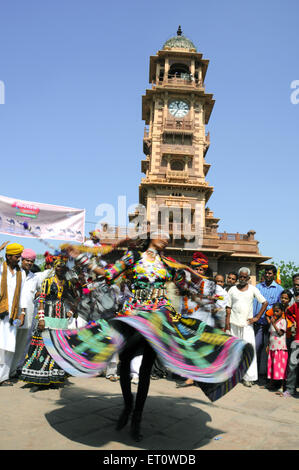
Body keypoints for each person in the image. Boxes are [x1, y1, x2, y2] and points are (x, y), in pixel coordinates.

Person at [43, 236, 254, 442]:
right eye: (161, 235)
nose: (166, 239)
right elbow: (108, 274)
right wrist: (80, 258)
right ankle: (128, 405)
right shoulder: (133, 257)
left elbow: (185, 286)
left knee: (146, 368)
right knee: (124, 361)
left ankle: (137, 417)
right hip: (133, 315)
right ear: (151, 236)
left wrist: (207, 297)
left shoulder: (168, 263)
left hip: (158, 318)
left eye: (167, 238)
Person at [20, 256, 77, 392]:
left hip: (61, 319)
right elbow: (41, 301)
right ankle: (39, 380)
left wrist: (72, 310)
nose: (61, 269)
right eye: (58, 266)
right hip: (47, 316)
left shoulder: (68, 284)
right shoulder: (47, 282)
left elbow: (75, 298)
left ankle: (53, 378)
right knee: (43, 346)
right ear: (54, 267)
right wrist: (41, 318)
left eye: (63, 266)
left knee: (57, 348)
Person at [10, 249, 53, 379]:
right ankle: (4, 372)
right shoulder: (15, 273)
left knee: (23, 344)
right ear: (22, 260)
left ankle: (15, 370)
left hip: (28, 318)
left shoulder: (35, 277)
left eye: (31, 261)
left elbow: (49, 273)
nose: (29, 263)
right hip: (14, 315)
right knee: (9, 343)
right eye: (27, 260)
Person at [225, 267, 268, 387]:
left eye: (245, 277)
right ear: (239, 277)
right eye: (241, 277)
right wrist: (227, 326)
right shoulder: (232, 290)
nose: (242, 279)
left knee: (249, 351)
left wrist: (257, 317)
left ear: (248, 278)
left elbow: (265, 303)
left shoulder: (253, 289)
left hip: (247, 325)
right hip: (234, 324)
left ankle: (249, 377)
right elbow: (228, 309)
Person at [0, 243, 26, 386]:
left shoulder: (20, 273)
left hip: (12, 316)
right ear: (8, 256)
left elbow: (21, 295)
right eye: (16, 256)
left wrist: (22, 313)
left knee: (9, 345)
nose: (19, 259)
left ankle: (3, 377)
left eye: (19, 256)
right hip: (0, 312)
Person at [253, 265, 284, 383]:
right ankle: (254, 375)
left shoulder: (279, 289)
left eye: (270, 273)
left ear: (274, 275)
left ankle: (266, 377)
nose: (267, 275)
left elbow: (280, 308)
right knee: (256, 347)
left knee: (269, 351)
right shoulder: (257, 287)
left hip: (272, 325)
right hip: (258, 324)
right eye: (266, 273)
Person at [279, 290, 299, 398]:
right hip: (296, 340)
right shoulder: (295, 306)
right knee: (292, 365)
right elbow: (288, 313)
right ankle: (290, 390)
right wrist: (294, 320)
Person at [266, 302, 288, 391]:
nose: (275, 313)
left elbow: (280, 333)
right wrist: (268, 345)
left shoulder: (283, 321)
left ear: (282, 311)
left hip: (280, 348)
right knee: (272, 366)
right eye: (274, 311)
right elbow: (271, 334)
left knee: (280, 367)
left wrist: (274, 324)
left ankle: (282, 386)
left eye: (277, 311)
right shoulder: (273, 321)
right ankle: (271, 384)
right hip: (272, 347)